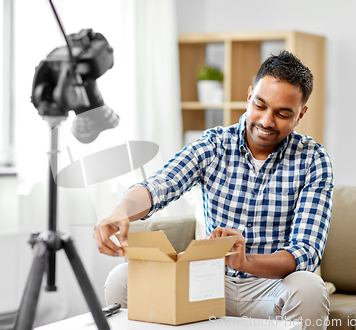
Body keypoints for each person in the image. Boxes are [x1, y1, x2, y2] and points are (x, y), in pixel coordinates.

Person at [94, 50, 334, 330]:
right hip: (207, 282)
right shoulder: (214, 144)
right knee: (122, 278)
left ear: (301, 114)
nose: (267, 121)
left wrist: (245, 262)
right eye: (260, 105)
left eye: (283, 114)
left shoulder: (313, 159)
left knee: (309, 288)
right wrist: (120, 211)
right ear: (248, 96)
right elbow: (158, 187)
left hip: (271, 289)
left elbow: (305, 252)